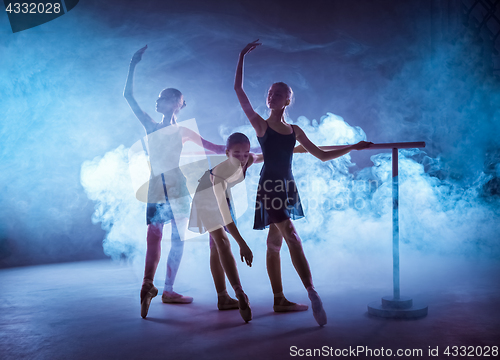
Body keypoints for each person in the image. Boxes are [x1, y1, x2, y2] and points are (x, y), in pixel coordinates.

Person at [234, 40, 372, 326]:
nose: (273, 96)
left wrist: (353, 147)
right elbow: (239, 91)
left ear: (288, 101)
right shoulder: (261, 125)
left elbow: (321, 155)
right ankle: (312, 291)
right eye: (271, 93)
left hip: (287, 187)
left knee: (274, 244)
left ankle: (279, 299)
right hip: (270, 188)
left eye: (279, 94)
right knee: (292, 236)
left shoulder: (294, 130)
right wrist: (241, 57)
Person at [124, 45, 226, 318]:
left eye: (165, 98)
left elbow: (215, 148)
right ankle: (152, 285)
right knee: (159, 238)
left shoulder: (178, 129)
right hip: (163, 186)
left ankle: (163, 288)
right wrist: (133, 64)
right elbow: (128, 96)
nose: (159, 101)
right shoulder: (154, 126)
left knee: (172, 239)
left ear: (176, 102)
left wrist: (245, 150)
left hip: (172, 187)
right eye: (160, 99)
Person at [189, 132, 258, 322]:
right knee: (222, 242)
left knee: (215, 248)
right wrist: (242, 244)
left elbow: (277, 152)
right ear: (227, 153)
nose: (242, 159)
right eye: (237, 154)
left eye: (245, 153)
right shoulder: (218, 175)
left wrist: (303, 148)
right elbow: (226, 218)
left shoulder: (249, 159)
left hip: (224, 198)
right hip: (205, 195)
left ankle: (223, 298)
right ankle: (239, 292)